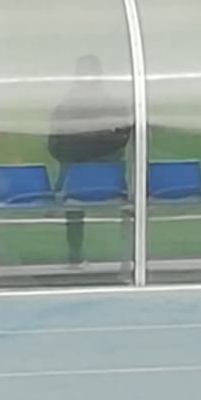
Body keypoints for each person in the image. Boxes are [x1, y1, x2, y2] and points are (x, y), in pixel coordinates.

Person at [47, 55, 133, 266]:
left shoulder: (65, 108)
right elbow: (123, 136)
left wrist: (77, 155)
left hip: (76, 177)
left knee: (73, 192)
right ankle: (129, 256)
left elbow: (55, 146)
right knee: (126, 202)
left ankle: (75, 253)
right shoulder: (115, 105)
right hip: (109, 178)